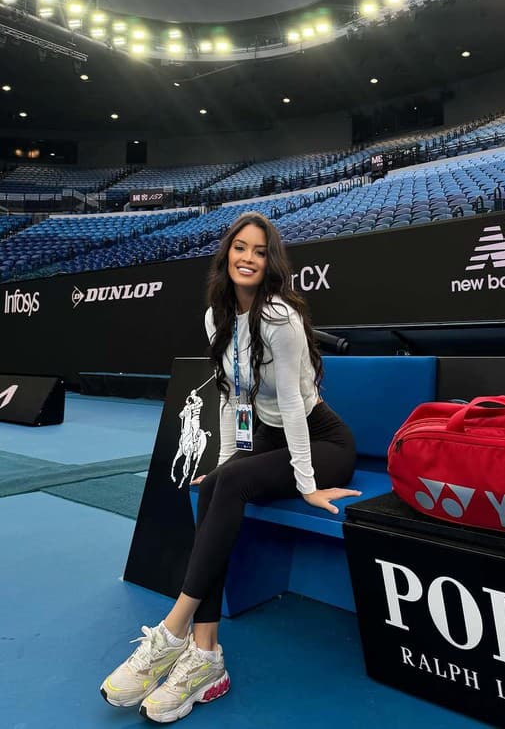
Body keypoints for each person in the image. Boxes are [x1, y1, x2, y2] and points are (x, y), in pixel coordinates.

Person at [100, 211, 359, 723]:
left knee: (234, 481)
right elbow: (231, 397)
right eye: (240, 247)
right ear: (227, 256)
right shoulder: (217, 317)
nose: (248, 258)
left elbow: (290, 405)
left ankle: (174, 630)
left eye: (260, 251)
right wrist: (222, 461)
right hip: (266, 438)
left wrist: (307, 486)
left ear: (270, 263)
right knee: (219, 484)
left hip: (323, 441)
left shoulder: (281, 319)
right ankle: (206, 655)